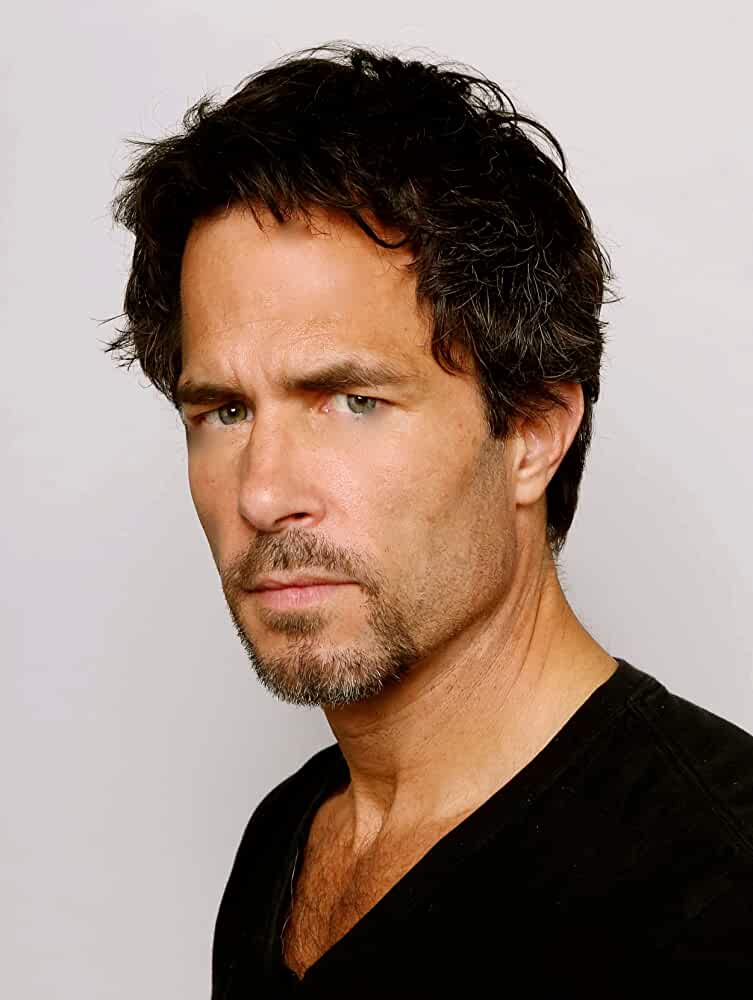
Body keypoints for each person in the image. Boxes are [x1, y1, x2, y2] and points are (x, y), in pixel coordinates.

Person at [105, 41, 753, 997]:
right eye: (224, 412)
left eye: (352, 400)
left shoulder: (719, 888)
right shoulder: (288, 839)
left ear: (530, 433)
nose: (261, 494)